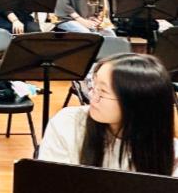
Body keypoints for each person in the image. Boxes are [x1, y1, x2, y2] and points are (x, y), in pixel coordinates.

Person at [39, 53, 178, 176]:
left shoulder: (168, 152)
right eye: (94, 86)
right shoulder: (68, 124)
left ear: (136, 102)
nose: (92, 96)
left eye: (103, 92)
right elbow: (49, 181)